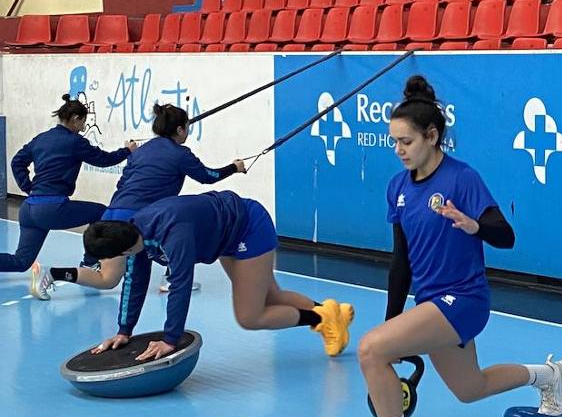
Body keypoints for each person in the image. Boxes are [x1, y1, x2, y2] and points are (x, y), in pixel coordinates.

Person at [344, 76, 562, 417]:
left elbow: (506, 236)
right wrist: (392, 320)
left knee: (369, 348)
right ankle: (551, 375)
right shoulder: (397, 187)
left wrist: (474, 225)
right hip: (431, 302)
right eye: (393, 142)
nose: (398, 151)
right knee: (471, 388)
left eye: (406, 142)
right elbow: (401, 263)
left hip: (465, 300)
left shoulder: (462, 179)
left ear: (432, 136)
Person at [81, 190, 353, 360]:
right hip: (224, 235)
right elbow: (135, 282)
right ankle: (333, 314)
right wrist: (124, 331)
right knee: (272, 296)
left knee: (250, 316)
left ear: (124, 248)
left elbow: (181, 285)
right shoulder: (134, 236)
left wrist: (170, 339)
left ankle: (324, 318)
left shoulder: (173, 234)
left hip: (247, 227)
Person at [30, 103, 247, 299]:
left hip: (113, 213)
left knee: (107, 279)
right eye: (186, 128)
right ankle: (171, 278)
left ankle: (52, 273)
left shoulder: (140, 152)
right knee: (185, 231)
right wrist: (234, 168)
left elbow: (122, 183)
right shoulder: (181, 154)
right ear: (180, 130)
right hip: (140, 218)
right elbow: (208, 177)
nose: (187, 132)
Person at [1, 95, 134, 279]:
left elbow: (17, 161)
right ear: (76, 119)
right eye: (83, 123)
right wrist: (127, 151)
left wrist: (28, 188)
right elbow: (104, 160)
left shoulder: (41, 138)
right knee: (101, 213)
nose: (83, 128)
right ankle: (89, 262)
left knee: (21, 261)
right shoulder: (75, 142)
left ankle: (90, 262)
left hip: (28, 209)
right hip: (52, 209)